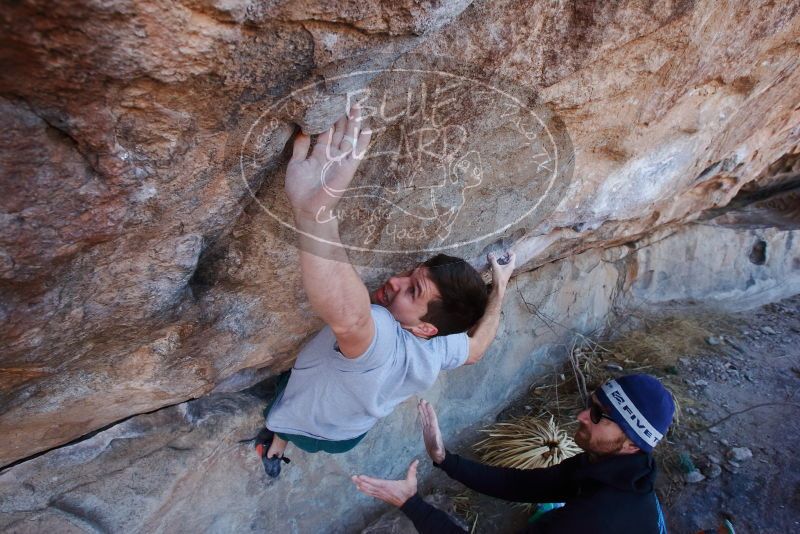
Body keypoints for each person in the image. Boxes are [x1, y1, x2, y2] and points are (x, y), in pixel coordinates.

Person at [257, 103, 517, 477]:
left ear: (424, 327)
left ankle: (276, 437)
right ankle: (279, 446)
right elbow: (476, 350)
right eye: (411, 274)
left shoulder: (381, 336)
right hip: (348, 433)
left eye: (413, 292)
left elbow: (352, 319)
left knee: (286, 400)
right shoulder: (440, 345)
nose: (394, 282)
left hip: (304, 415)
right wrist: (501, 287)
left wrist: (315, 215)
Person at [352, 374, 675, 534]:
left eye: (598, 415)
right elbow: (522, 485)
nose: (581, 415)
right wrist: (444, 459)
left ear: (633, 443)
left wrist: (410, 503)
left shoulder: (593, 518)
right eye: (591, 405)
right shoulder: (610, 464)